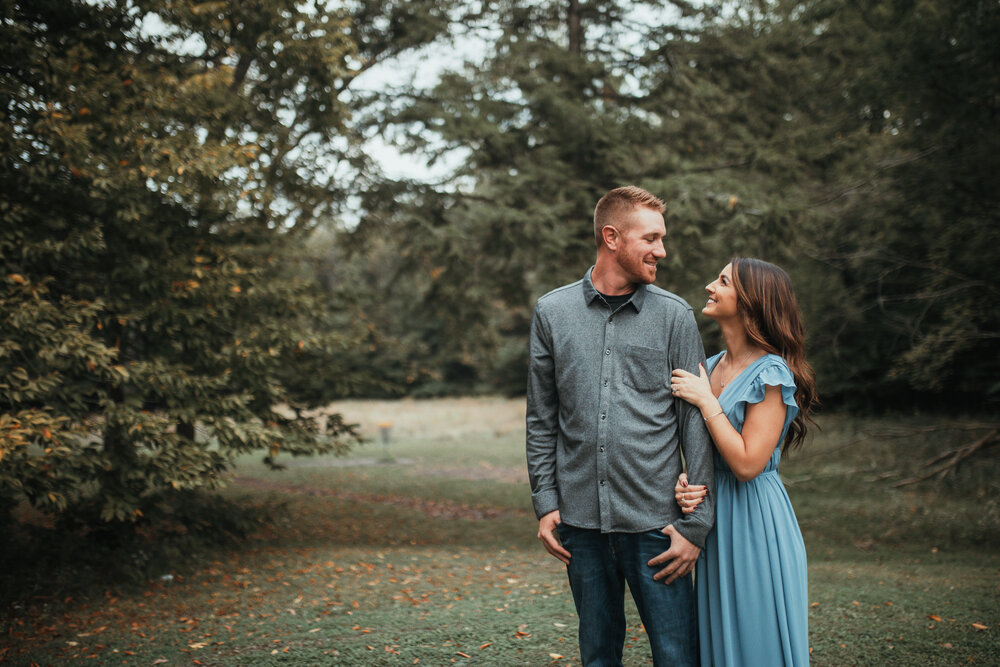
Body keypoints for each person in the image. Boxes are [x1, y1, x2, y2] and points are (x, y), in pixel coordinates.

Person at [526, 185, 715, 666]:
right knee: (598, 654)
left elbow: (695, 418)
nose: (662, 251)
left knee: (677, 656)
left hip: (657, 524)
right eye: (651, 238)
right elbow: (542, 417)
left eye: (662, 239)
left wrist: (696, 526)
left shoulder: (675, 315)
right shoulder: (552, 312)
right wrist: (546, 501)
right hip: (580, 525)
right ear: (611, 237)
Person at [669, 257, 818, 666]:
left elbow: (749, 463)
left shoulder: (771, 373)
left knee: (756, 640)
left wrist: (705, 400)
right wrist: (689, 479)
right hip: (716, 519)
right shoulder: (713, 365)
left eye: (722, 281)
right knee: (720, 641)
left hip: (755, 520)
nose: (709, 286)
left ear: (751, 301)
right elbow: (711, 448)